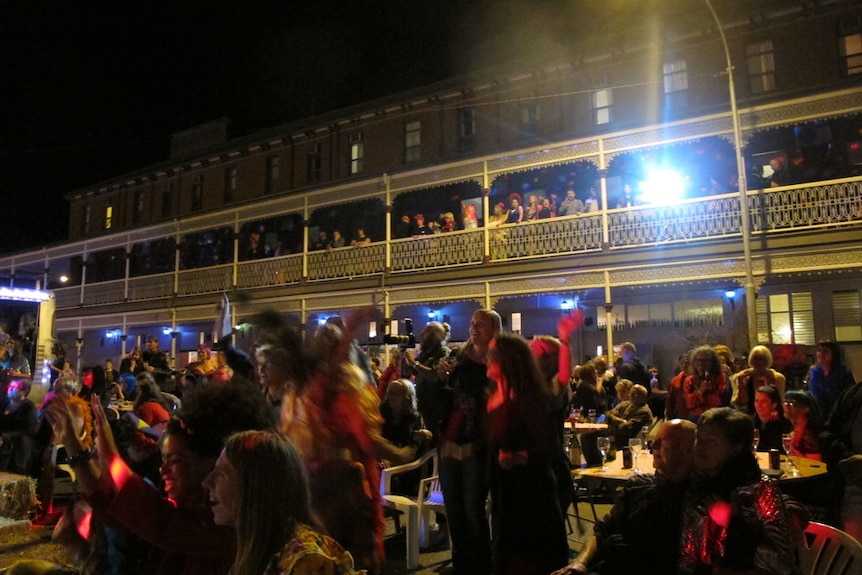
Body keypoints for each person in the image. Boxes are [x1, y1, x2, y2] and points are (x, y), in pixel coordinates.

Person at [43, 377, 276, 575]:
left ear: (212, 463)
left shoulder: (226, 522)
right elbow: (114, 505)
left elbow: (154, 518)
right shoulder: (183, 505)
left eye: (175, 461)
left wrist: (105, 452)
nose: (163, 469)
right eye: (163, 460)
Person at [203, 430, 363, 575]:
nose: (207, 482)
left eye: (221, 474)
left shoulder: (306, 562)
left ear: (256, 487)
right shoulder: (259, 553)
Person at [553, 419, 697, 575]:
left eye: (664, 441)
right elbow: (602, 531)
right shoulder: (638, 485)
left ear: (689, 449)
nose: (652, 446)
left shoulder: (699, 497)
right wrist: (579, 563)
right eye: (655, 440)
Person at [485, 334, 568, 575]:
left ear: (508, 361)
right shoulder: (494, 395)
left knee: (531, 560)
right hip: (506, 490)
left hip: (532, 492)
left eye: (492, 353)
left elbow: (548, 446)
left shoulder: (529, 398)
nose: (487, 358)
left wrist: (519, 457)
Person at [680, 407, 800, 575]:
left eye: (711, 441)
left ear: (737, 447)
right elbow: (687, 556)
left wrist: (732, 523)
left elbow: (780, 563)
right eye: (698, 438)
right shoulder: (698, 485)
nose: (700, 447)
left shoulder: (758, 491)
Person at [438, 309, 501, 575]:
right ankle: (462, 564)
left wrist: (473, 445)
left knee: (473, 510)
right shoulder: (459, 360)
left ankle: (481, 566)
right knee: (454, 509)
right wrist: (441, 378)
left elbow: (495, 413)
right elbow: (448, 402)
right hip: (451, 444)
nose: (474, 328)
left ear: (494, 330)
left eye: (481, 324)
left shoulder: (498, 366)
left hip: (478, 448)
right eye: (472, 323)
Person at [413, 321, 450, 443]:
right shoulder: (424, 354)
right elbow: (416, 373)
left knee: (435, 443)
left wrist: (415, 364)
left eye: (426, 332)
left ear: (435, 337)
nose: (422, 335)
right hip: (422, 407)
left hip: (436, 410)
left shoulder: (443, 352)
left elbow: (435, 375)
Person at [806, 340, 855, 421]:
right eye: (819, 351)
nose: (821, 353)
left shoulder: (843, 372)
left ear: (834, 354)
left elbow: (851, 393)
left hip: (839, 414)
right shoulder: (813, 372)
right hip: (818, 414)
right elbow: (807, 392)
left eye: (825, 351)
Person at [731, 345, 787, 414]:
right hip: (751, 414)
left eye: (761, 359)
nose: (758, 362)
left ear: (767, 360)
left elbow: (778, 401)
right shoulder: (745, 377)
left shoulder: (777, 378)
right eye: (755, 358)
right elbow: (743, 401)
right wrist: (740, 381)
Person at [0, 377, 39, 474]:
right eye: (10, 386)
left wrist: (5, 437)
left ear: (24, 391)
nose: (11, 389)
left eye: (15, 387)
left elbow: (29, 430)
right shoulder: (4, 403)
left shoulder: (28, 406)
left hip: (18, 443)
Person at [682, 345, 727, 421]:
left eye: (705, 361)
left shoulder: (720, 378)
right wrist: (700, 392)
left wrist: (710, 392)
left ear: (712, 362)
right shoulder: (689, 380)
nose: (701, 363)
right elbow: (688, 403)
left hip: (716, 416)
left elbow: (721, 400)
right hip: (696, 417)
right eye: (698, 360)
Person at [605, 384, 652, 451]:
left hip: (628, 445)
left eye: (635, 394)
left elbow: (626, 429)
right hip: (615, 440)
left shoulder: (644, 411)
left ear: (643, 396)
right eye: (630, 393)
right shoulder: (625, 404)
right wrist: (621, 421)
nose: (631, 396)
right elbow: (607, 414)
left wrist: (612, 422)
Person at [782, 390, 822, 460]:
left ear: (805, 409)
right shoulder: (794, 428)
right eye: (785, 402)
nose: (786, 406)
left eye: (792, 403)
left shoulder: (809, 434)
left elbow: (815, 462)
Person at [752, 385, 793, 453]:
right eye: (756, 401)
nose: (759, 405)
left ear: (774, 404)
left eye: (764, 402)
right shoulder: (750, 421)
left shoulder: (783, 423)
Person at [665, 352, 692, 420]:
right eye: (682, 363)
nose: (684, 365)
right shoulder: (675, 381)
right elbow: (670, 401)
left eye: (687, 363)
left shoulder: (697, 379)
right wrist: (670, 416)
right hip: (681, 416)